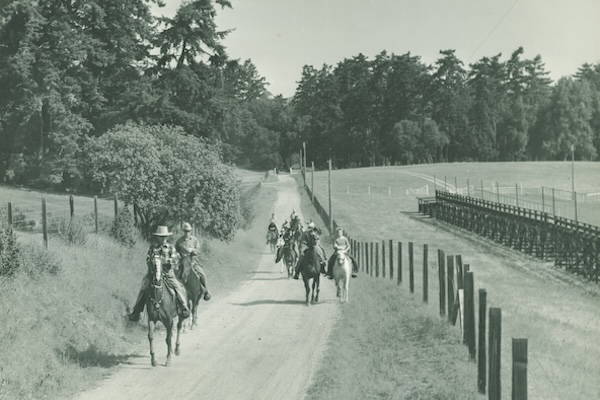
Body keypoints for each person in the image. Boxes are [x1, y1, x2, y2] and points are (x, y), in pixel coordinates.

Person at [129, 226, 190, 321]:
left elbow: (175, 260)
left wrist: (165, 261)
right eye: (160, 237)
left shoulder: (170, 247)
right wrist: (152, 263)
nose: (162, 239)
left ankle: (184, 307)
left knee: (178, 287)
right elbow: (148, 259)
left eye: (164, 237)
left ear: (167, 237)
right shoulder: (153, 247)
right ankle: (137, 310)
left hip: (168, 274)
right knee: (144, 287)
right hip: (153, 274)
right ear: (157, 237)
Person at [175, 222, 211, 301]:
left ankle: (205, 291)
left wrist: (192, 250)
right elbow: (175, 250)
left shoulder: (194, 240)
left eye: (188, 231)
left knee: (202, 275)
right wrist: (177, 254)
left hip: (193, 261)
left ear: (191, 231)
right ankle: (175, 294)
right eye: (185, 231)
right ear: (183, 231)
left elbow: (198, 250)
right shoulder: (179, 241)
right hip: (182, 262)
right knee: (175, 274)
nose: (187, 233)